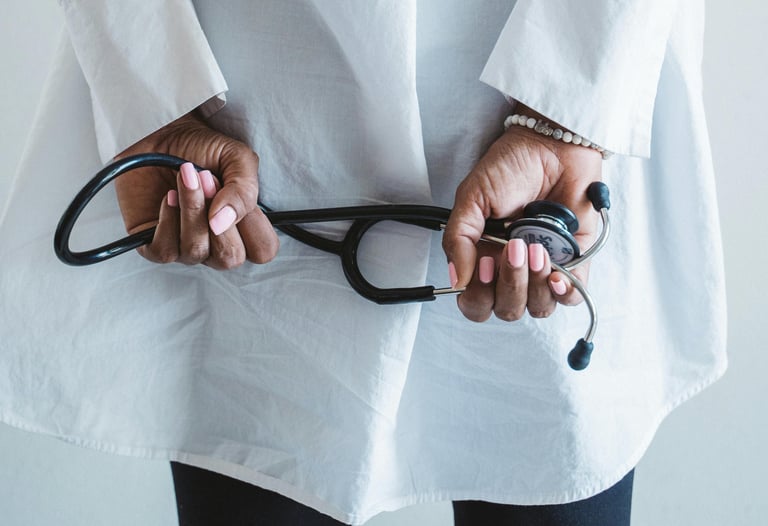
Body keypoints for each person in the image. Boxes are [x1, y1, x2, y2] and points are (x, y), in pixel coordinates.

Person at [0, 1, 726, 525]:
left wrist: (570, 113)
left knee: (552, 448)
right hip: (246, 102)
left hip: (557, 137)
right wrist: (154, 93)